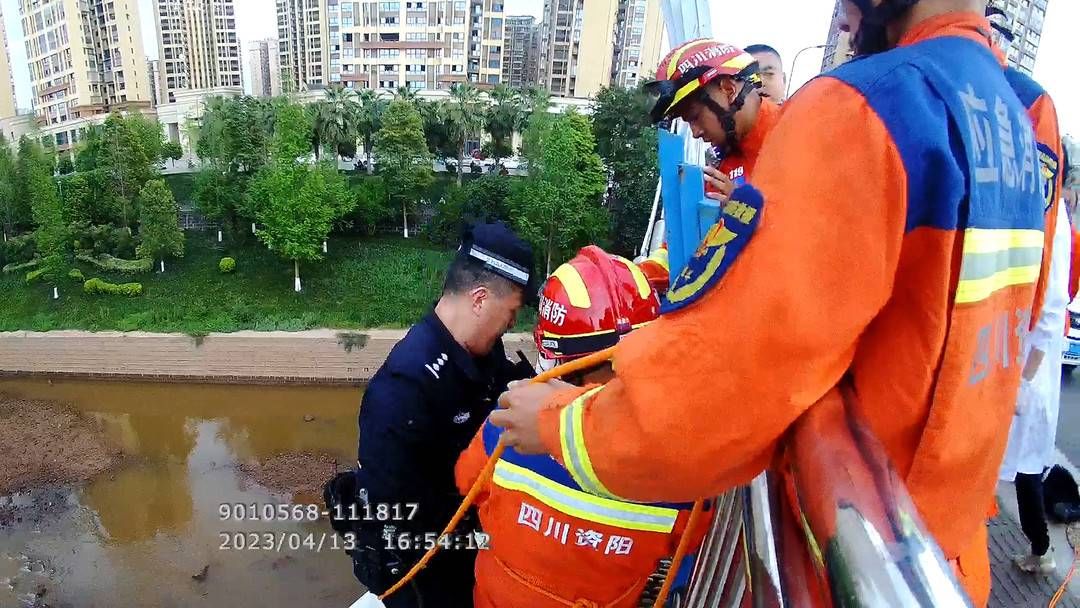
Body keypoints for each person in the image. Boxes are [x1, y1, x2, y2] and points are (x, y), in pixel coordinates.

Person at [490, 2, 1047, 605]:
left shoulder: (866, 109)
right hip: (946, 555)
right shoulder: (1014, 115)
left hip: (839, 557)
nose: (843, 25)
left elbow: (735, 369)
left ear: (729, 89)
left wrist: (560, 421)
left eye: (850, 5)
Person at [455, 246, 702, 607]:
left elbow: (466, 482)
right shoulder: (678, 464)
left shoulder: (507, 423)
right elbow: (689, 544)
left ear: (553, 356)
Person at [348, 222, 536, 607]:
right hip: (428, 572)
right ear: (480, 299)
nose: (513, 323)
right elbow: (393, 514)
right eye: (512, 311)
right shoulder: (405, 388)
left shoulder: (483, 352)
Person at [637, 41, 782, 292]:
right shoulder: (723, 166)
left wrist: (750, 215)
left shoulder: (798, 138)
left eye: (695, 117)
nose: (695, 133)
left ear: (728, 89)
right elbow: (681, 249)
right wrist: (630, 277)